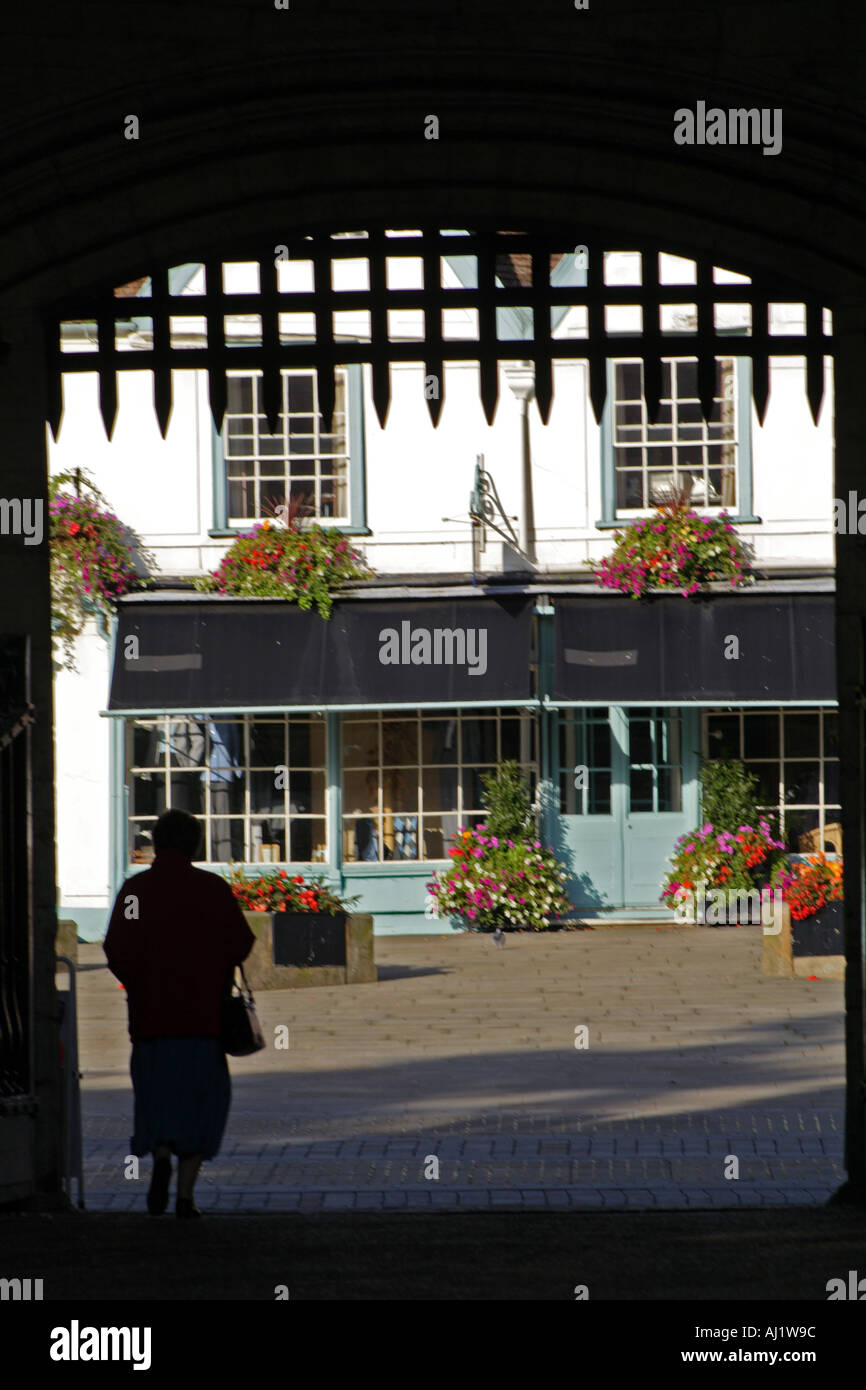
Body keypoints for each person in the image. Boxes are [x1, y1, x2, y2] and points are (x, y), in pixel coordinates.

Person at [104, 809, 255, 1219]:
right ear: (195, 844)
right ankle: (185, 1197)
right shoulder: (211, 889)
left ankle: (162, 1155)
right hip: (203, 1022)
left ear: (156, 841)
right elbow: (240, 942)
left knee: (157, 1101)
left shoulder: (136, 892)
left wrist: (138, 980)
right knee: (200, 1106)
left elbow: (117, 945)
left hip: (151, 1021)